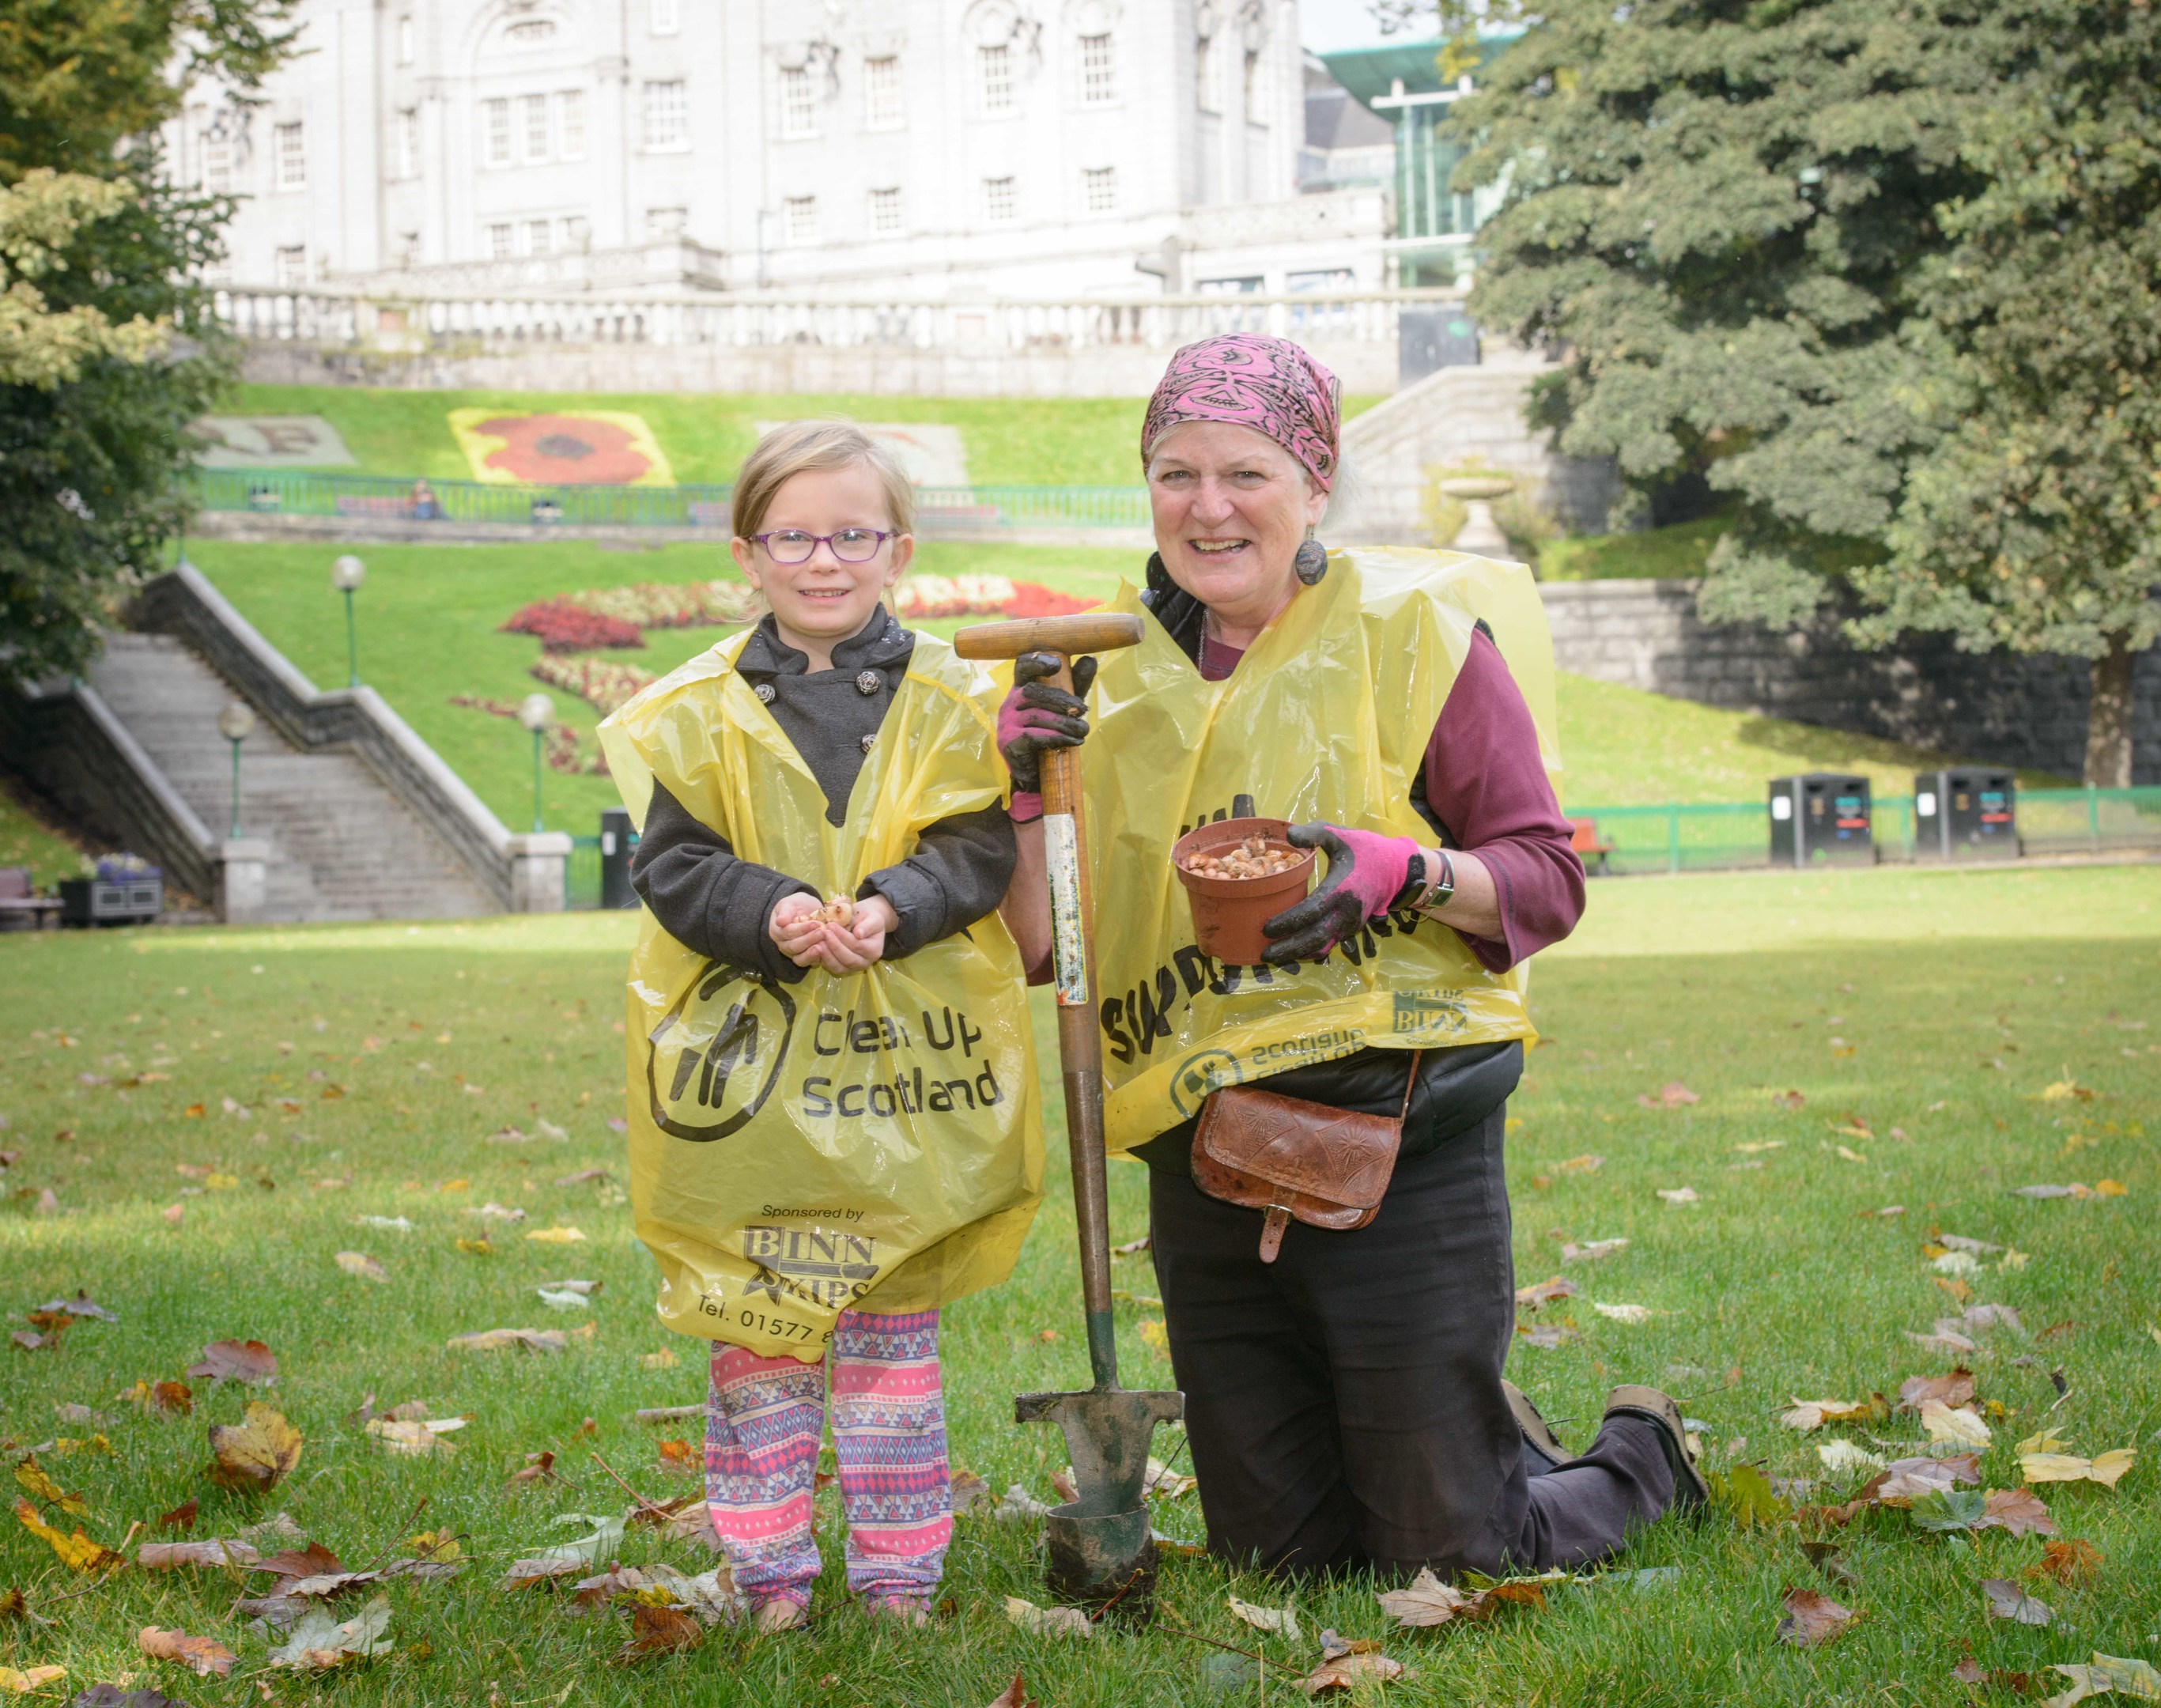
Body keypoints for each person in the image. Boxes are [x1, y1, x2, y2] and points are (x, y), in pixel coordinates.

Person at [998, 334, 1705, 1583]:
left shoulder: (1412, 637)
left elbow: (1546, 876)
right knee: (1279, 1561)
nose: (1207, 506)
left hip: (1398, 1135)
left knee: (1457, 1556)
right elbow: (1042, 947)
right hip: (1209, 1154)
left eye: (1245, 473)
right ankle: (1465, 1431)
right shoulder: (1103, 680)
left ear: (1314, 484)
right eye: (1175, 473)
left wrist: (1404, 871)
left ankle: (1638, 1455)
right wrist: (1023, 791)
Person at [598, 421, 1042, 1632]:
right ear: (748, 552)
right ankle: (768, 1576)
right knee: (760, 1329)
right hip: (751, 1073)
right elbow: (675, 865)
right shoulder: (694, 710)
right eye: (793, 535)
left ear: (898, 547)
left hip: (902, 1069)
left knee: (892, 1336)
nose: (823, 560)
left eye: (851, 533)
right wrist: (777, 908)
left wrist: (895, 905)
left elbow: (977, 842)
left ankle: (900, 1575)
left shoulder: (957, 696)